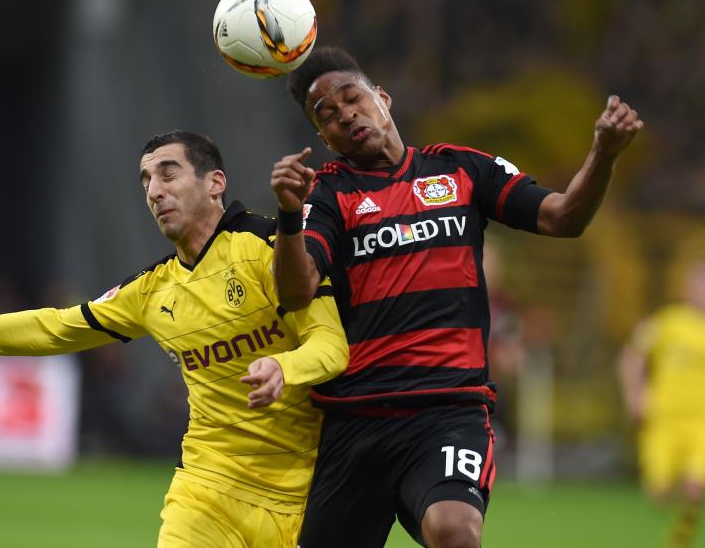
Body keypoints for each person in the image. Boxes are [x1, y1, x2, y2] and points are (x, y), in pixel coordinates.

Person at [0, 130, 349, 548]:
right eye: (147, 180)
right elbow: (51, 328)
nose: (154, 190)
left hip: (303, 498)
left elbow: (331, 346)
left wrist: (285, 367)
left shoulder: (273, 250)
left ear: (215, 182)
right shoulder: (151, 291)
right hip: (206, 492)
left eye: (169, 173)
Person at [269, 46, 643, 548]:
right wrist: (290, 216)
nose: (346, 116)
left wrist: (604, 153)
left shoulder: (461, 170)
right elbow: (295, 292)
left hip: (449, 411)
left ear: (383, 98)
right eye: (328, 116)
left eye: (352, 98)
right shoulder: (329, 195)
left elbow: (562, 217)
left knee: (454, 530)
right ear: (323, 138)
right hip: (357, 419)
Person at [619, 258, 705, 548]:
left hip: (700, 422)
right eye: (699, 282)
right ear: (687, 287)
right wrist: (635, 393)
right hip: (663, 421)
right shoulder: (666, 322)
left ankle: (679, 543)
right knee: (659, 495)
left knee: (696, 486)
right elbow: (632, 357)